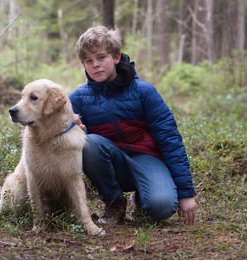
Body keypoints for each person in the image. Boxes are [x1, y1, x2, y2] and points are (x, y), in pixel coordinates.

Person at [69, 26, 197, 226]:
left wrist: (185, 192)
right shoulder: (78, 98)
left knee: (161, 207)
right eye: (88, 61)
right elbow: (76, 146)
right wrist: (76, 131)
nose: (96, 65)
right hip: (112, 163)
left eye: (101, 57)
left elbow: (169, 139)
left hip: (147, 158)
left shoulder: (144, 91)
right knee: (88, 142)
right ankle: (114, 203)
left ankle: (143, 196)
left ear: (117, 57)